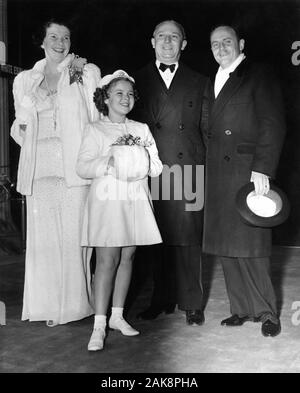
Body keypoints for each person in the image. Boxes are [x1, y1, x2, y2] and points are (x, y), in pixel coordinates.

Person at [10, 19, 101, 326]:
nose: (60, 42)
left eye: (65, 37)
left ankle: (74, 306)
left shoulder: (85, 72)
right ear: (43, 41)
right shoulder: (24, 80)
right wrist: (24, 121)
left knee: (74, 240)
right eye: (53, 36)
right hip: (39, 170)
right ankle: (46, 306)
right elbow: (17, 128)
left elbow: (94, 117)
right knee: (45, 243)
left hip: (74, 169)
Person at [203, 24, 286, 337]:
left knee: (253, 244)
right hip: (218, 173)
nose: (221, 48)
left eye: (227, 42)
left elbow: (273, 123)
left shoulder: (258, 73)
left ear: (240, 43)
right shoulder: (213, 78)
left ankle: (267, 313)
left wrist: (263, 167)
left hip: (247, 171)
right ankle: (240, 309)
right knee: (226, 245)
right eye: (215, 44)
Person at [76, 70, 163, 351]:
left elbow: (157, 167)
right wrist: (110, 162)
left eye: (129, 94)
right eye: (118, 93)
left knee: (128, 257)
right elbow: (82, 166)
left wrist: (142, 158)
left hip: (135, 200)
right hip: (107, 202)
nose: (125, 98)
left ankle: (117, 316)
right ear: (106, 98)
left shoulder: (141, 129)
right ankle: (99, 326)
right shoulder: (94, 129)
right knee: (107, 261)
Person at [132, 20, 211, 325]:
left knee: (189, 238)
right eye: (162, 37)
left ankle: (192, 302)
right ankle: (161, 299)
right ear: (152, 41)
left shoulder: (200, 80)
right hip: (152, 168)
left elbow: (206, 129)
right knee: (157, 239)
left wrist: (206, 170)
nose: (167, 42)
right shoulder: (135, 80)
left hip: (189, 167)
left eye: (174, 37)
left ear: (184, 44)